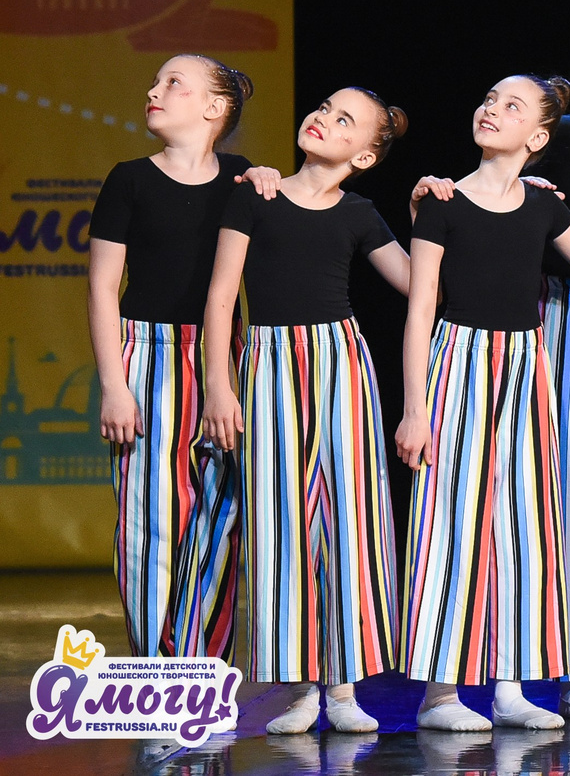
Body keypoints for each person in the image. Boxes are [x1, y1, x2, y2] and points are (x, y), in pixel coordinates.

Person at [395, 74, 570, 731]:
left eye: (511, 106)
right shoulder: (444, 203)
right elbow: (420, 312)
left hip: (527, 365)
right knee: (453, 521)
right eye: (488, 100)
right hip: (460, 360)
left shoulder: (542, 206)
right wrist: (415, 408)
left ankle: (511, 684)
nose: (491, 110)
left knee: (524, 523)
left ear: (537, 137)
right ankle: (441, 694)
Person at [199, 88, 411, 733]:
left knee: (350, 520)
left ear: (364, 155)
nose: (323, 118)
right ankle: (298, 689)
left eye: (345, 120)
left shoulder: (359, 212)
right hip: (267, 362)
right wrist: (218, 385)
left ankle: (343, 689)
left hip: (340, 362)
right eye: (324, 107)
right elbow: (221, 296)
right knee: (280, 518)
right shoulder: (254, 195)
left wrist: (435, 214)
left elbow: (418, 283)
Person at [89, 55, 254, 660]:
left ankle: (202, 667)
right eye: (156, 81)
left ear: (215, 108)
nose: (154, 90)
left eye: (173, 83)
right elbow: (103, 287)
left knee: (220, 517)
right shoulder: (129, 180)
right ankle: (161, 671)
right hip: (149, 356)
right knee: (151, 521)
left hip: (222, 361)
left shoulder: (243, 179)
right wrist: (115, 385)